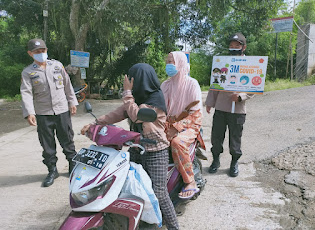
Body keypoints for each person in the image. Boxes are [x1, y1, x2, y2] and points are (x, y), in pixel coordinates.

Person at [81, 63, 179, 230]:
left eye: (132, 80)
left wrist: (127, 93)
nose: (130, 83)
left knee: (159, 193)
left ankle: (174, 227)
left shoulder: (155, 98)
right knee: (135, 189)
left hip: (156, 152)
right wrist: (94, 123)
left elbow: (137, 115)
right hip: (136, 148)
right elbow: (118, 113)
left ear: (141, 80)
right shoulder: (136, 98)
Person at [20, 38, 78, 187]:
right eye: (37, 52)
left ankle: (73, 166)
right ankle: (52, 170)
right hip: (43, 112)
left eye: (43, 51)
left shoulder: (57, 66)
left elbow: (67, 85)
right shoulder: (28, 72)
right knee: (47, 144)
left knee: (67, 139)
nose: (41, 54)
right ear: (30, 53)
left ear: (46, 50)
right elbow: (26, 93)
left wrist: (72, 102)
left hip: (62, 110)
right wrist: (29, 113)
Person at [206, 32, 253, 177]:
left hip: (238, 110)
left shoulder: (251, 65)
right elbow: (215, 84)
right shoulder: (222, 63)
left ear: (243, 47)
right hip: (221, 107)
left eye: (237, 45)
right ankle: (215, 161)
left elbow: (254, 87)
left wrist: (240, 97)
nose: (233, 48)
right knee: (217, 137)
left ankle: (234, 162)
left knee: (235, 139)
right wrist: (210, 102)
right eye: (231, 46)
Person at [161, 51, 203, 199]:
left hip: (189, 125)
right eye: (167, 61)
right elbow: (159, 109)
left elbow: (196, 114)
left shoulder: (192, 84)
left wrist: (177, 127)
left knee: (177, 142)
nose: (168, 64)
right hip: (168, 124)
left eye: (171, 61)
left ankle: (189, 181)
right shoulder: (165, 85)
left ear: (180, 63)